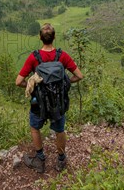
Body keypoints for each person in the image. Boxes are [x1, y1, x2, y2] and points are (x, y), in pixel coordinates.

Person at [15, 23, 83, 173]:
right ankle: (61, 161)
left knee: (35, 128)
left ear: (40, 38)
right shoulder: (62, 56)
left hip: (38, 103)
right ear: (54, 38)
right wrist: (65, 83)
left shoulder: (34, 57)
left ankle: (40, 159)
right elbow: (79, 76)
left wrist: (32, 87)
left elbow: (18, 81)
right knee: (60, 130)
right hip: (58, 102)